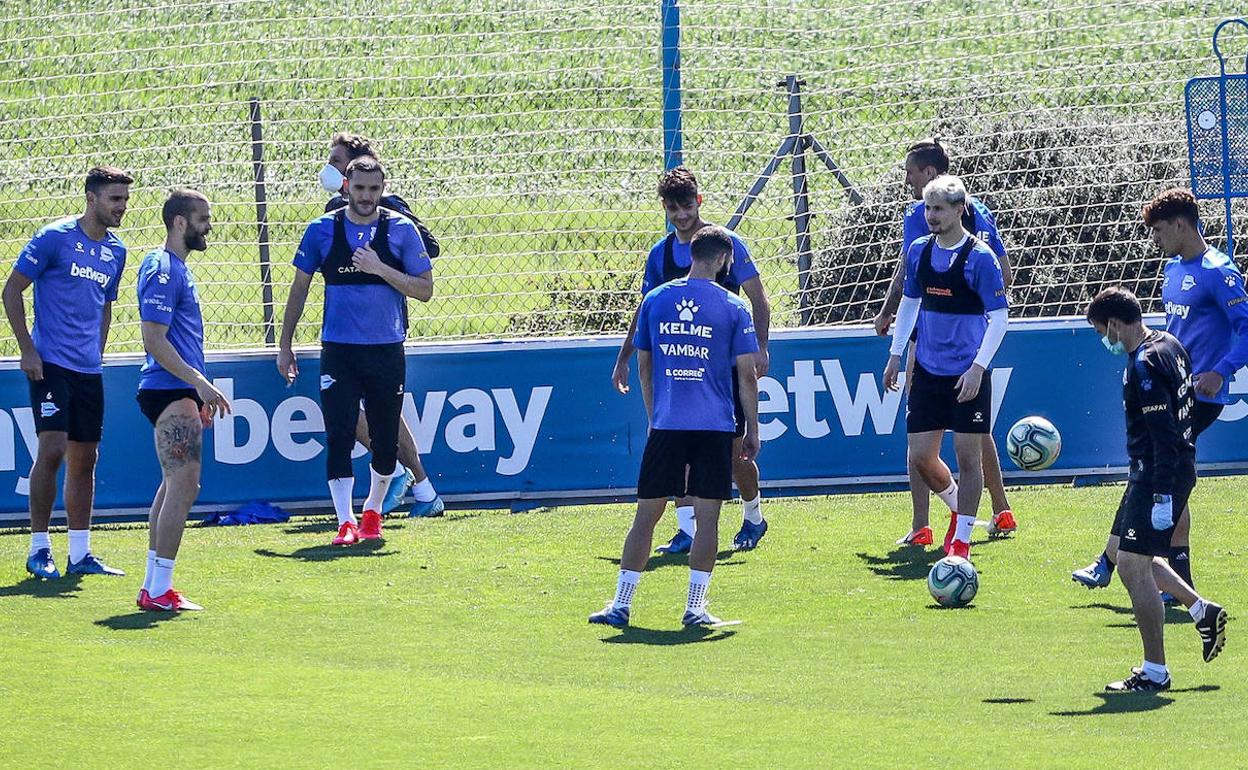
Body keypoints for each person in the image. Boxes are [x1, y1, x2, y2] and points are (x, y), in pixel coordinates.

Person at [1074, 189, 1248, 595]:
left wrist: (1221, 372)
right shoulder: (1172, 270)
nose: (1154, 238)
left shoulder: (1218, 271)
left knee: (1151, 472)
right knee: (1163, 477)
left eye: (1158, 229)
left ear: (1181, 225)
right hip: (1167, 380)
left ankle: (1110, 561)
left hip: (1197, 393)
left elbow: (1246, 328)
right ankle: (1174, 577)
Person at [590, 226, 760, 628]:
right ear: (723, 260)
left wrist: (654, 417)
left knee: (646, 517)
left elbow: (645, 366)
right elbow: (747, 377)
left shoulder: (656, 299)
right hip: (715, 427)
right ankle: (695, 608)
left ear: (691, 255)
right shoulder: (734, 307)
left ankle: (621, 604)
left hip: (667, 425)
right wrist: (752, 427)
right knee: (708, 519)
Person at [611, 166, 772, 553]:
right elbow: (646, 311)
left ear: (698, 201)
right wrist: (624, 357)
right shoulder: (661, 254)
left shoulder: (723, 242)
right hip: (679, 369)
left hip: (722, 371)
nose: (681, 215)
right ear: (664, 208)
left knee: (734, 454)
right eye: (673, 208)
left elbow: (758, 298)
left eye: (687, 205)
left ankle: (753, 516)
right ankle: (687, 530)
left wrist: (761, 348)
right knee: (678, 453)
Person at [279, 157, 434, 545]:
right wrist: (285, 345)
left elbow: (425, 289)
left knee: (385, 441)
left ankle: (372, 512)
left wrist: (380, 268)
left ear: (382, 189)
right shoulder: (321, 231)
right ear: (346, 185)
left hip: (385, 350)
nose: (366, 197)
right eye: (359, 188)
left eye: (374, 189)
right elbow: (299, 289)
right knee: (339, 433)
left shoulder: (400, 230)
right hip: (339, 350)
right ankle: (344, 520)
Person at [874, 140, 1017, 550]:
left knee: (969, 449)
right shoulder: (921, 250)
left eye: (936, 208)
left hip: (966, 366)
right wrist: (896, 355)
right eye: (927, 209)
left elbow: (1000, 305)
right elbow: (910, 301)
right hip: (930, 363)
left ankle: (961, 540)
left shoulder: (978, 255)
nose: (929, 214)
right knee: (922, 453)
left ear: (958, 210)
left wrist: (979, 363)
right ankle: (966, 508)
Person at [1083, 287, 1226, 691]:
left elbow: (1163, 435)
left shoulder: (1143, 368)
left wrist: (1163, 494)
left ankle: (1155, 671)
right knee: (1137, 556)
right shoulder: (1169, 342)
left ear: (1114, 323)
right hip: (1165, 470)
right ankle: (1202, 610)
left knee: (1130, 566)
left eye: (1102, 332)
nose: (1104, 340)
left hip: (1158, 475)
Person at [1, 166, 132, 579]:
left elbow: (106, 303)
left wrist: (99, 349)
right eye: (115, 199)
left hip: (87, 369)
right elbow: (11, 291)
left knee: (86, 459)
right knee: (53, 450)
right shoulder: (53, 238)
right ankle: (39, 548)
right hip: (51, 364)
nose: (121, 208)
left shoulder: (117, 251)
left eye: (125, 200)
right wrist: (27, 349)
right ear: (91, 199)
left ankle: (80, 553)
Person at [320, 132, 443, 517]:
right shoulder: (333, 210)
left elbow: (430, 248)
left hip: (384, 328)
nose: (330, 168)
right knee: (358, 412)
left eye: (336, 160)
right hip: (343, 332)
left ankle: (412, 479)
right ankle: (419, 485)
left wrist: (386, 234)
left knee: (378, 413)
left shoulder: (390, 209)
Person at [134, 189, 231, 611]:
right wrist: (198, 384)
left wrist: (195, 387)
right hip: (168, 387)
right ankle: (159, 590)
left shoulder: (175, 268)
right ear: (179, 222)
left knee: (173, 486)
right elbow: (153, 339)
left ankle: (153, 586)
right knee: (185, 486)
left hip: (176, 388)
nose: (208, 225)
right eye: (202, 218)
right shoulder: (163, 269)